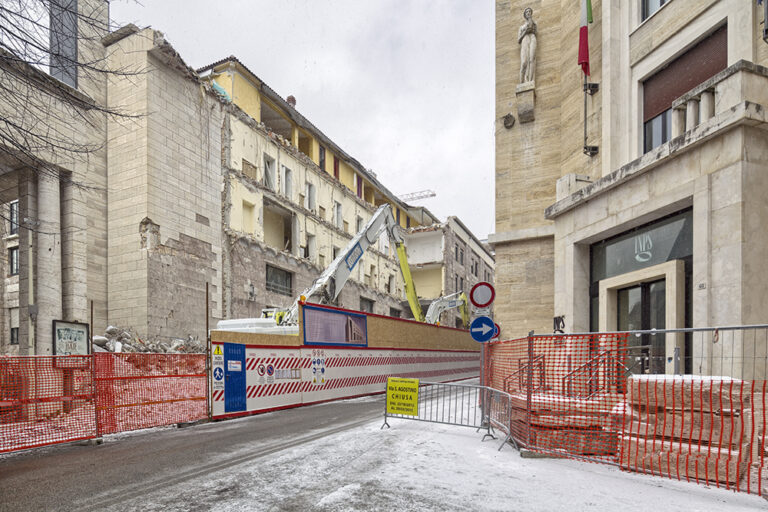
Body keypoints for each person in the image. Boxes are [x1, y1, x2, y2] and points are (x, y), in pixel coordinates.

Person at [518, 7, 537, 83]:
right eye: (527, 12)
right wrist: (525, 32)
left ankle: (530, 80)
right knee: (524, 62)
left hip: (532, 38)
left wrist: (531, 26)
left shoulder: (534, 23)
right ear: (525, 15)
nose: (528, 13)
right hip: (524, 39)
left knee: (532, 59)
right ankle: (521, 82)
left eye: (529, 11)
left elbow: (535, 32)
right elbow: (518, 39)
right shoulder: (521, 27)